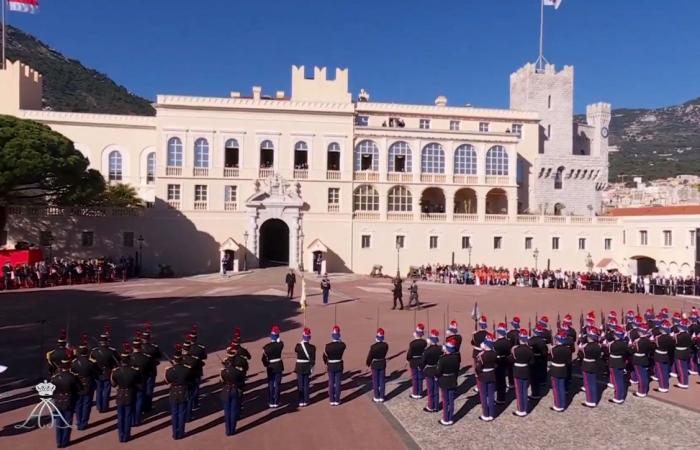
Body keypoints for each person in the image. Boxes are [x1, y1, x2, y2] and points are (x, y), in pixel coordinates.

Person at [111, 343, 141, 443]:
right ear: (128, 360)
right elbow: (139, 383)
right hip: (130, 394)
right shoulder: (134, 371)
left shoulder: (116, 371)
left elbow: (113, 384)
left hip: (120, 394)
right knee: (128, 416)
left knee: (120, 417)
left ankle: (121, 436)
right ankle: (126, 436)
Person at [71, 334, 98, 430]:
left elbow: (72, 373)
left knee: (78, 404)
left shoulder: (74, 363)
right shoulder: (91, 363)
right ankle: (84, 422)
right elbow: (96, 373)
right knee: (87, 404)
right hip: (88, 385)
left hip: (78, 386)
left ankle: (79, 422)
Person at [220, 343, 248, 436]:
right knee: (233, 410)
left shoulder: (223, 371)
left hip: (226, 390)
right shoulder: (238, 371)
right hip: (235, 390)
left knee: (227, 411)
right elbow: (242, 379)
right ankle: (232, 429)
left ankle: (228, 430)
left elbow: (222, 381)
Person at [165, 344, 192, 440]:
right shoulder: (187, 369)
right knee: (182, 413)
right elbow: (189, 379)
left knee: (174, 414)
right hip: (183, 391)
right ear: (181, 359)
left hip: (173, 392)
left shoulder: (170, 370)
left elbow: (167, 381)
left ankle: (175, 434)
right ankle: (181, 432)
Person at [90, 330, 119, 412]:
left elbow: (91, 362)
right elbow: (118, 361)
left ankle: (99, 406)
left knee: (99, 390)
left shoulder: (94, 351)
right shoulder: (112, 351)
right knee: (106, 391)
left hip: (97, 373)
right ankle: (105, 406)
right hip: (108, 373)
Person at [436, 336, 460, 426]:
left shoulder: (443, 359)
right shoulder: (456, 358)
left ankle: (446, 419)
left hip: (445, 381)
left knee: (445, 400)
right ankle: (450, 417)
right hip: (452, 379)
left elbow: (438, 371)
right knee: (451, 400)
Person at [509, 329, 533, 417]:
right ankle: (525, 408)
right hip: (526, 370)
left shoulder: (515, 350)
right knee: (525, 391)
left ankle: (520, 410)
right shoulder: (529, 350)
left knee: (519, 392)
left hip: (518, 371)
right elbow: (532, 362)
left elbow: (510, 360)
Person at [129, 334, 151, 426]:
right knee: (139, 400)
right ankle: (137, 419)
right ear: (140, 346)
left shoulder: (128, 357)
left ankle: (131, 418)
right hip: (141, 381)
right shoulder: (145, 358)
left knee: (131, 401)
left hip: (131, 382)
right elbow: (149, 370)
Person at [140, 323, 162, 412]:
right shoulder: (153, 348)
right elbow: (159, 355)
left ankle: (140, 406)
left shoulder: (139, 347)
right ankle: (147, 407)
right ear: (149, 339)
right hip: (151, 371)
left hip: (141, 372)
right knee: (149, 390)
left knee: (142, 389)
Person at [476, 333, 497, 422]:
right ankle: (491, 414)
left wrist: (479, 374)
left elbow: (478, 368)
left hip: (483, 376)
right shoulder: (494, 354)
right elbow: (496, 364)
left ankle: (485, 414)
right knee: (491, 395)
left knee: (484, 396)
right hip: (492, 374)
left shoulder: (481, 356)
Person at [579, 326, 602, 408]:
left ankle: (590, 401)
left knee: (587, 384)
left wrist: (581, 346)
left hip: (586, 365)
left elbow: (581, 355)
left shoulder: (585, 347)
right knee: (592, 383)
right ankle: (593, 399)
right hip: (594, 365)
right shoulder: (598, 346)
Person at [549, 330, 572, 412]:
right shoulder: (567, 350)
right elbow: (568, 360)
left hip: (555, 369)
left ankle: (558, 405)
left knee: (556, 388)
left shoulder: (553, 349)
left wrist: (551, 349)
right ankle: (562, 404)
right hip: (563, 369)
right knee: (561, 387)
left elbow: (550, 358)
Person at [262, 325, 284, 408]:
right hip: (278, 365)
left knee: (271, 384)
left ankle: (271, 401)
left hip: (270, 366)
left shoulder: (266, 347)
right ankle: (276, 401)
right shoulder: (280, 345)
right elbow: (280, 343)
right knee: (277, 384)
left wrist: (266, 365)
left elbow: (263, 359)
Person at [323, 325, 346, 406]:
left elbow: (324, 356)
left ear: (332, 335)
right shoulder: (342, 345)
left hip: (331, 365)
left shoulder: (328, 346)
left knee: (331, 382)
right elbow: (342, 344)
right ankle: (337, 399)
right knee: (338, 382)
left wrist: (326, 363)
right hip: (339, 365)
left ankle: (332, 399)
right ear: (339, 335)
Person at [608, 326, 630, 404]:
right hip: (620, 362)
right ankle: (619, 396)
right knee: (619, 380)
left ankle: (618, 397)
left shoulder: (612, 344)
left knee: (617, 382)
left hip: (614, 362)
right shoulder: (624, 344)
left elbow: (609, 351)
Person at [294, 327, 316, 407]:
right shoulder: (312, 348)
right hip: (307, 366)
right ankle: (306, 400)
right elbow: (313, 360)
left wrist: (301, 342)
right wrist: (312, 367)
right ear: (309, 337)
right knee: (306, 384)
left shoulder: (298, 346)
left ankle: (301, 401)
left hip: (299, 366)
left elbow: (296, 349)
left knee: (300, 384)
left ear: (303, 336)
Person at [421, 329, 442, 413]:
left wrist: (422, 368)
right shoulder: (440, 349)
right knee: (436, 389)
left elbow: (423, 362)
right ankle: (436, 406)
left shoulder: (427, 351)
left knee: (430, 390)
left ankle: (431, 406)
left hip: (429, 370)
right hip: (437, 370)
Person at [187, 326, 207, 409]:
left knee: (188, 388)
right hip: (197, 369)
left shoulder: (185, 347)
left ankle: (189, 402)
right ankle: (194, 403)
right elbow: (204, 357)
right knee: (195, 388)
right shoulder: (200, 348)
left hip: (187, 370)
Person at [366, 328, 389, 402]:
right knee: (382, 381)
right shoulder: (385, 345)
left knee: (375, 381)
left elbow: (370, 356)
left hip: (375, 364)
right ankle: (382, 396)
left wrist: (368, 363)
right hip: (382, 363)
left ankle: (376, 396)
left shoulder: (373, 347)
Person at [631, 323, 653, 397]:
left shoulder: (638, 341)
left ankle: (641, 392)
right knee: (644, 375)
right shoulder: (648, 341)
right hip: (644, 358)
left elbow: (632, 350)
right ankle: (644, 390)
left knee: (640, 376)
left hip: (638, 359)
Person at [407, 323, 427, 399]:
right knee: (420, 377)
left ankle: (415, 393)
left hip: (414, 361)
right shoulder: (424, 342)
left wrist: (408, 359)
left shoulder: (412, 343)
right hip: (421, 361)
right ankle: (420, 392)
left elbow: (410, 354)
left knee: (415, 378)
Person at [653, 320, 674, 393]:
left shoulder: (658, 338)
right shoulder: (671, 338)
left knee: (661, 372)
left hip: (659, 355)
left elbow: (655, 346)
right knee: (665, 372)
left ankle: (663, 387)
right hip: (666, 355)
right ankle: (666, 385)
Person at [528, 325, 548, 399]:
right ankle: (542, 381)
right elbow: (545, 352)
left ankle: (535, 394)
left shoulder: (531, 340)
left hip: (533, 360)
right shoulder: (542, 341)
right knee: (542, 371)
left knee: (534, 378)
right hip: (541, 359)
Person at [493, 323, 511, 405]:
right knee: (502, 380)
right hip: (505, 360)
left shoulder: (496, 343)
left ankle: (500, 399)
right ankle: (502, 396)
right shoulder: (508, 342)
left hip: (498, 362)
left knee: (499, 381)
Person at [673, 319, 692, 389]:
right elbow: (690, 344)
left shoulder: (677, 336)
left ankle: (683, 383)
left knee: (681, 368)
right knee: (684, 367)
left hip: (679, 353)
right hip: (686, 352)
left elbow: (674, 344)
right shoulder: (688, 335)